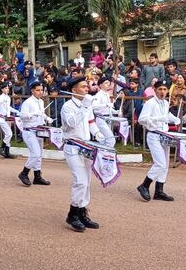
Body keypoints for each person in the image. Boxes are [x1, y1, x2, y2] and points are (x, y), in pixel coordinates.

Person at [61, 76, 104, 232]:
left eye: (87, 87)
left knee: (86, 181)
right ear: (74, 90)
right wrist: (84, 106)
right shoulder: (67, 106)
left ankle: (82, 212)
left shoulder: (87, 106)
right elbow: (72, 123)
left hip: (86, 147)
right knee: (80, 181)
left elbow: (91, 123)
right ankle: (72, 214)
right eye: (83, 87)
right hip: (72, 147)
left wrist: (99, 134)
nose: (87, 89)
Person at [137, 82, 181, 201]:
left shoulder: (166, 103)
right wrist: (158, 119)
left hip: (164, 135)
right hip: (154, 135)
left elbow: (166, 115)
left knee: (165, 164)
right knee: (160, 163)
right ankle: (144, 185)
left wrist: (173, 118)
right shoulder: (150, 103)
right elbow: (142, 119)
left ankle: (159, 191)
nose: (162, 92)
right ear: (155, 90)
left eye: (165, 89)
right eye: (160, 89)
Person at [18, 82, 53, 186]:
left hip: (39, 130)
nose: (40, 92)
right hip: (29, 131)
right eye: (38, 90)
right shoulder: (27, 102)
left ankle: (37, 176)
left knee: (39, 154)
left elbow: (41, 114)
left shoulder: (41, 102)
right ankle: (24, 173)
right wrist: (33, 114)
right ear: (32, 90)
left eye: (41, 90)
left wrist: (47, 118)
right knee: (36, 154)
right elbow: (22, 116)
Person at [0, 82, 18, 158]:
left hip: (7, 117)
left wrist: (16, 111)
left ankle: (7, 152)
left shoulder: (8, 98)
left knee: (8, 135)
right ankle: (1, 147)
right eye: (6, 88)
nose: (7, 89)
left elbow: (8, 108)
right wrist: (0, 102)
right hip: (2, 118)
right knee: (9, 134)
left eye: (8, 88)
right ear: (2, 89)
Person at [91, 77, 117, 148]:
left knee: (104, 140)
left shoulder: (107, 94)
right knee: (110, 140)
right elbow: (93, 106)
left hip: (107, 118)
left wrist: (115, 111)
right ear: (100, 85)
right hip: (100, 118)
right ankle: (106, 154)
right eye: (106, 83)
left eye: (109, 83)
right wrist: (105, 104)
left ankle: (101, 155)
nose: (108, 84)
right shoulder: (99, 95)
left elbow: (108, 108)